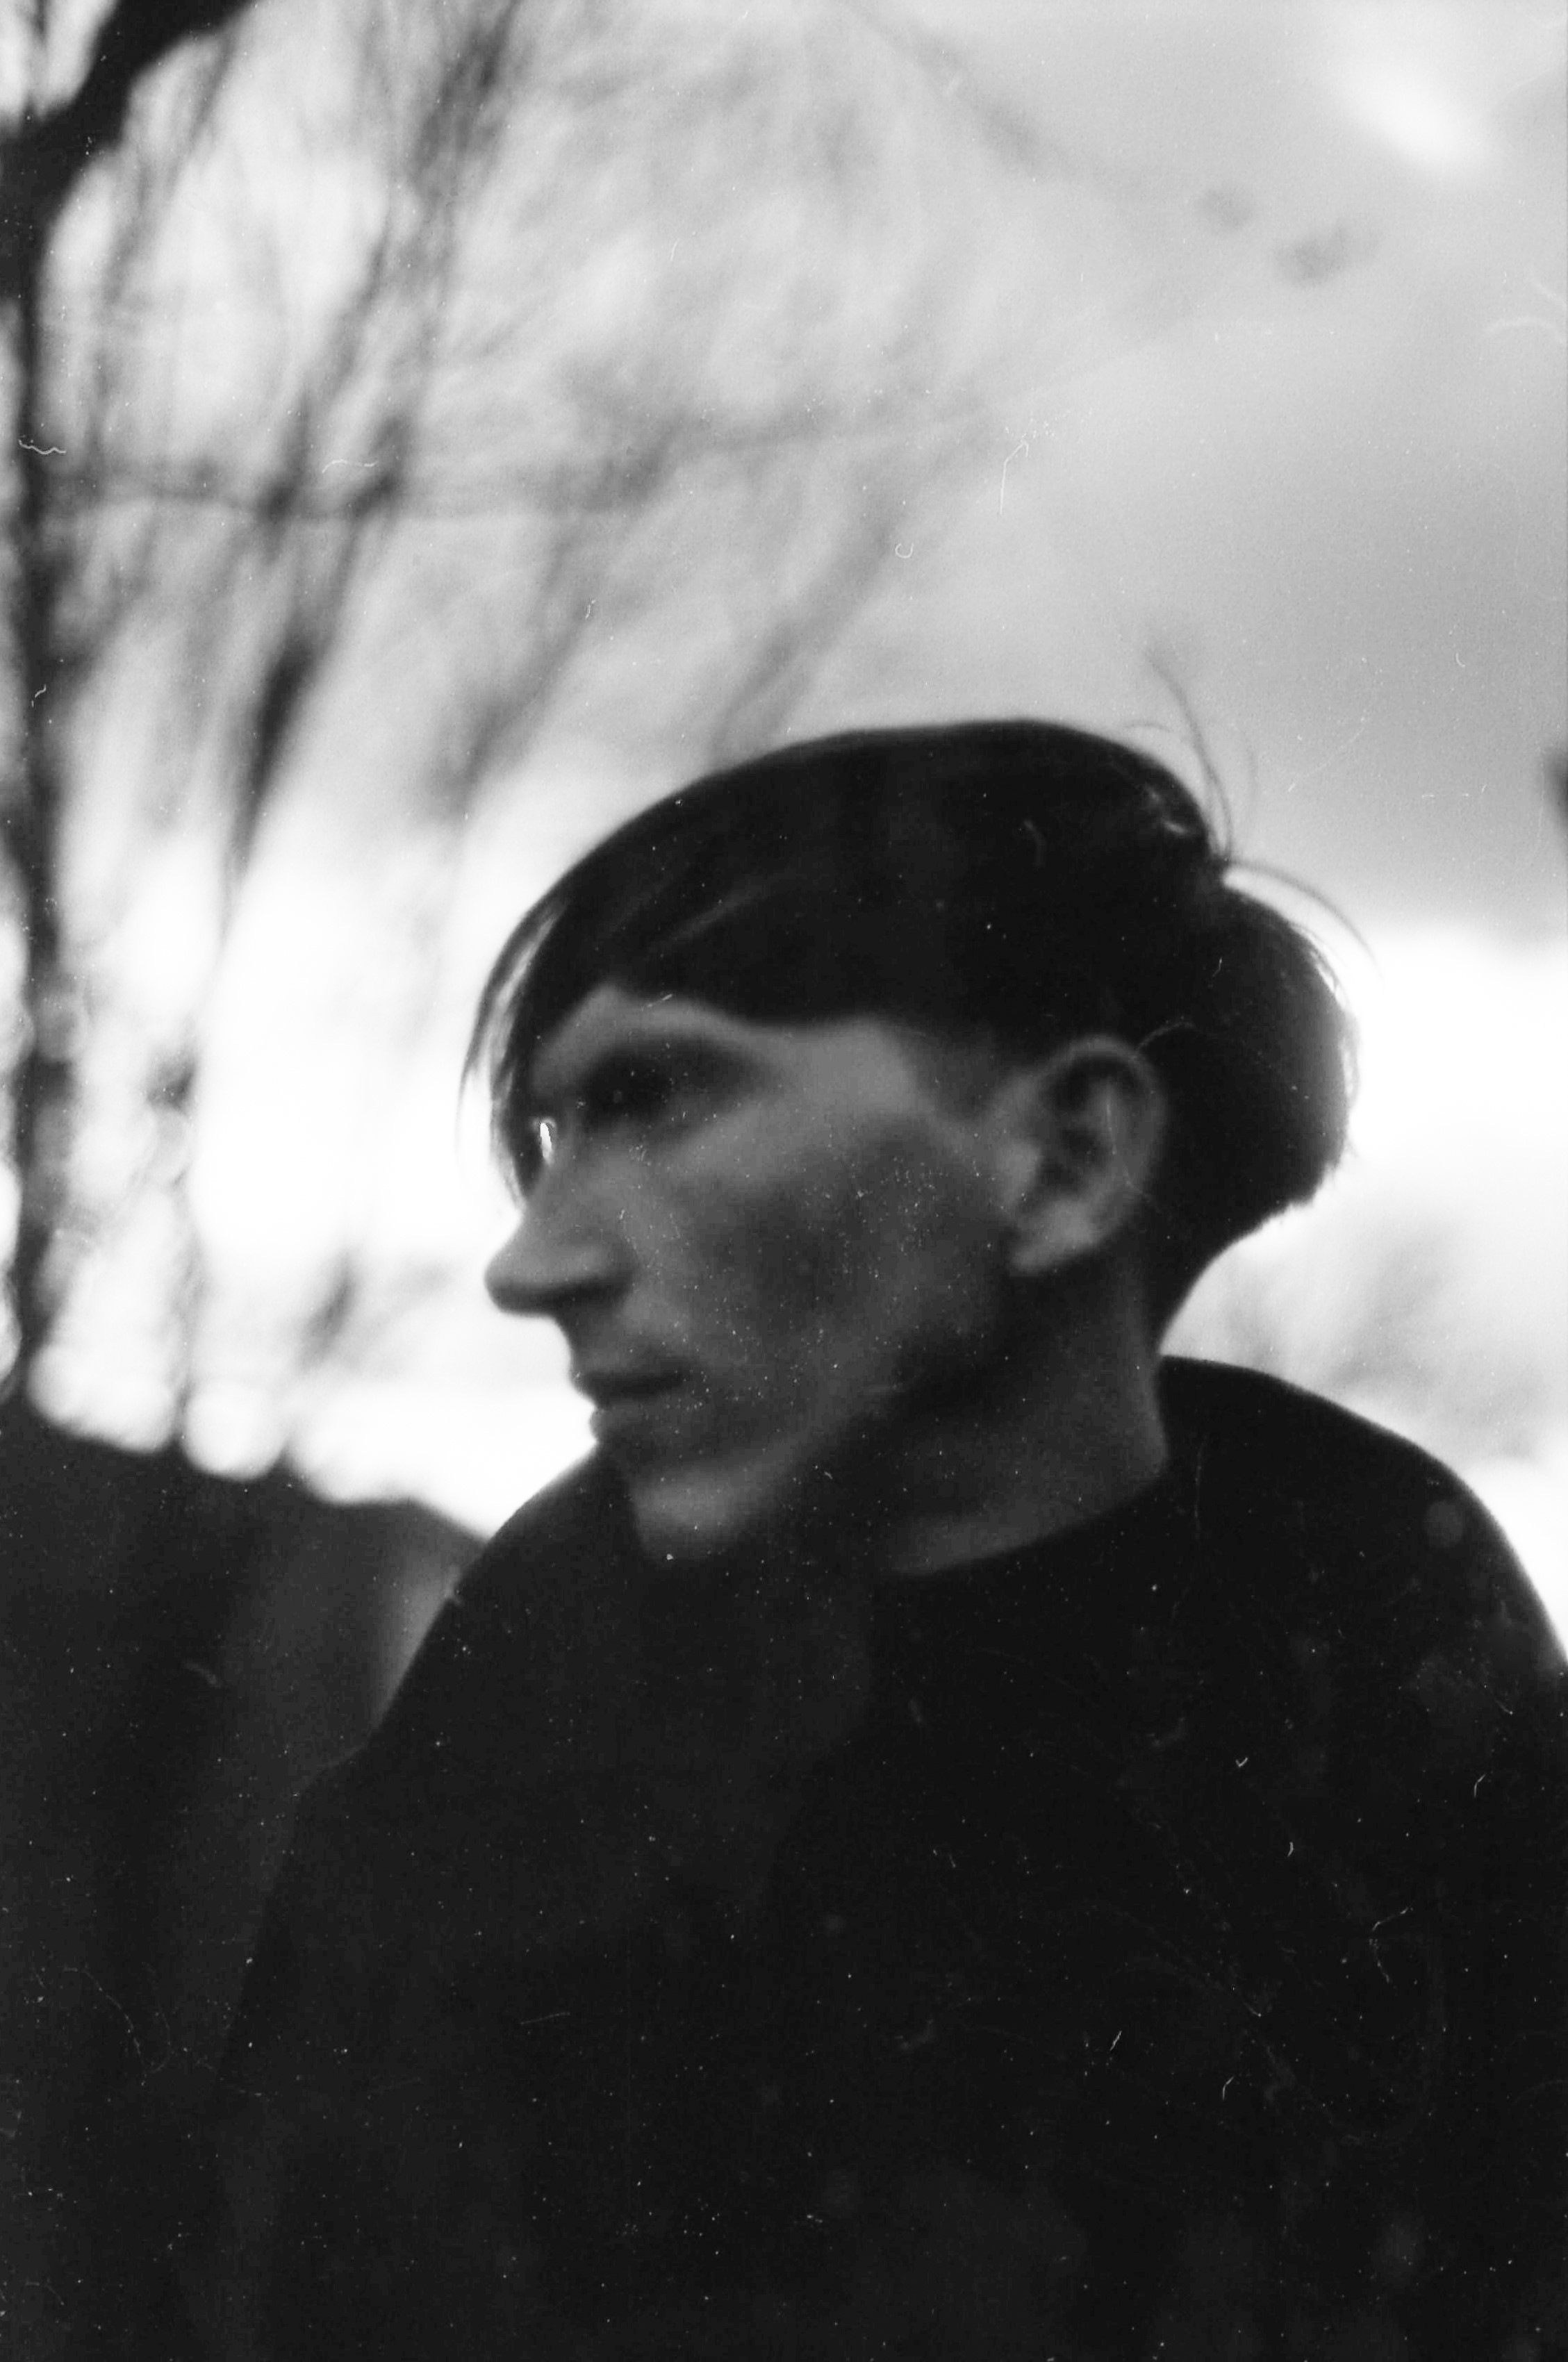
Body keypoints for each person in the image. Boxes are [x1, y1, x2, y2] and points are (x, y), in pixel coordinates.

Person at [188, 722, 1568, 2359]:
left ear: (1065, 1158)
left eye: (654, 1094)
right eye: (555, 1140)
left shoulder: (1416, 1738)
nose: (530, 1262)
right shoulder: (489, 1765)